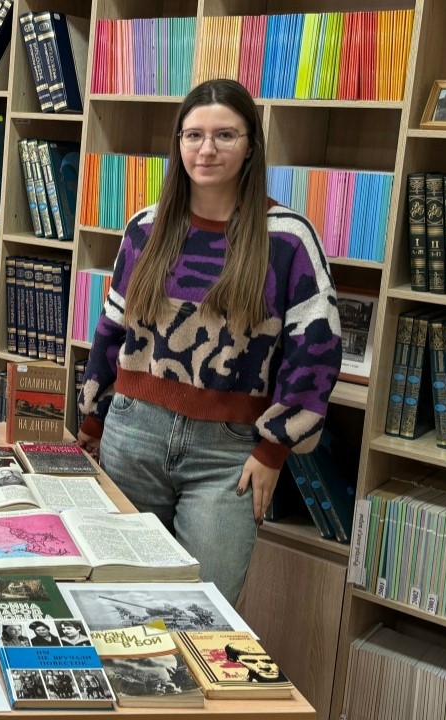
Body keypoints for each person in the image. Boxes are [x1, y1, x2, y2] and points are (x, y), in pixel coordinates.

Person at [76, 78, 341, 604]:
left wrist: (273, 450)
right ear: (178, 143)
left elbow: (316, 349)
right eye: (194, 135)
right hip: (132, 435)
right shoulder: (145, 228)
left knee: (204, 611)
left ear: (251, 146)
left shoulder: (288, 238)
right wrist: (91, 421)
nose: (207, 149)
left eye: (225, 135)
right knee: (116, 601)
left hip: (227, 457)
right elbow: (112, 330)